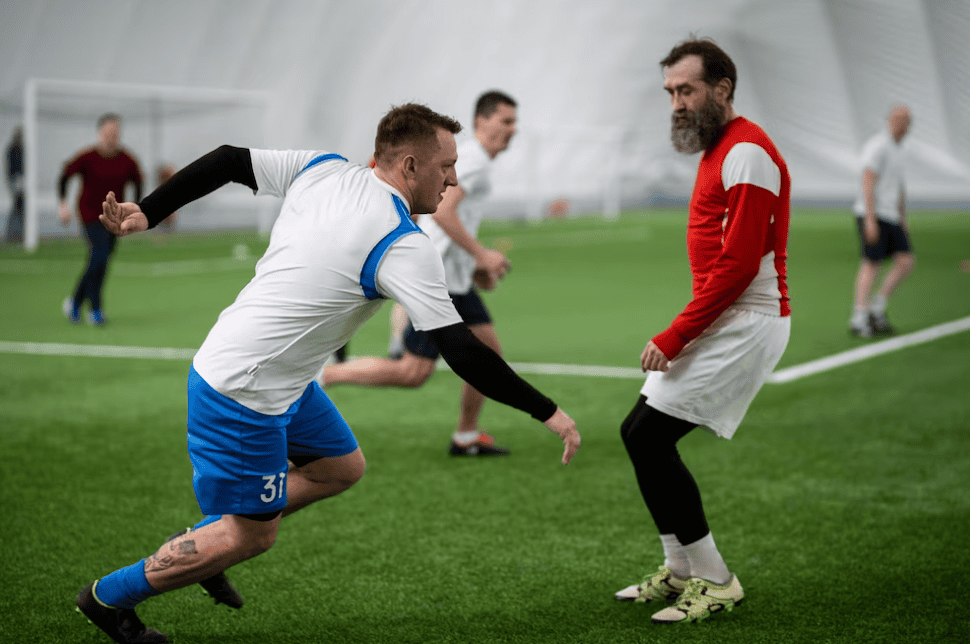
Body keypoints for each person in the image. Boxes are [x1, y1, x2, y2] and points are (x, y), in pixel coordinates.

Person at [75, 103, 580, 644]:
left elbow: (227, 160)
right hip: (243, 390)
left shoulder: (323, 167)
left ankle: (211, 537)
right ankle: (108, 598)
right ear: (410, 166)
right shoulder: (403, 243)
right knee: (254, 535)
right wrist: (547, 411)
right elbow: (462, 350)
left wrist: (148, 211)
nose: (454, 178)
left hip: (273, 377)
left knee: (342, 467)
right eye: (445, 166)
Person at [613, 39, 791, 624]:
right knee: (639, 433)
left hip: (749, 320)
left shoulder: (747, 151)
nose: (677, 104)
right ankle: (682, 568)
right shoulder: (717, 150)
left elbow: (739, 267)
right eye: (670, 93)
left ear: (722, 89)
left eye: (686, 90)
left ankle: (715, 579)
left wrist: (676, 334)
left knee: (649, 438)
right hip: (729, 317)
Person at [322, 91, 518, 456]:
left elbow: (446, 220)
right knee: (412, 372)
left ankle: (466, 435)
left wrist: (472, 265)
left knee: (489, 354)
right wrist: (482, 255)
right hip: (439, 279)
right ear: (481, 122)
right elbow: (442, 213)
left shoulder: (475, 162)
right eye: (505, 121)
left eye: (514, 122)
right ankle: (323, 376)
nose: (512, 129)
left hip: (454, 278)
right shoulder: (473, 161)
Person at [58, 113, 143, 325]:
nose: (112, 136)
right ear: (100, 133)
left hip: (114, 218)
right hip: (90, 215)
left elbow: (138, 182)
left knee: (102, 261)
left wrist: (136, 210)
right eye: (108, 132)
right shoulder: (87, 157)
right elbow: (64, 176)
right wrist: (62, 204)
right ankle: (95, 310)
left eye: (115, 133)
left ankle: (76, 303)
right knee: (100, 255)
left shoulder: (127, 160)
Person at [849, 104, 914, 337]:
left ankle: (877, 307)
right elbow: (868, 179)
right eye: (898, 119)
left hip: (891, 214)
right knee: (871, 262)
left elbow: (898, 186)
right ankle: (859, 316)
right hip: (874, 213)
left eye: (906, 120)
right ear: (889, 121)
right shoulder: (878, 146)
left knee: (906, 261)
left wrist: (902, 216)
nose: (902, 124)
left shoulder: (901, 150)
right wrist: (869, 219)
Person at [5, 127, 24, 244]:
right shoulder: (15, 148)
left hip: (16, 180)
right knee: (17, 207)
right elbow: (15, 167)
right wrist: (17, 180)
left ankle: (16, 233)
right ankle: (12, 233)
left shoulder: (15, 148)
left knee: (19, 207)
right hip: (16, 180)